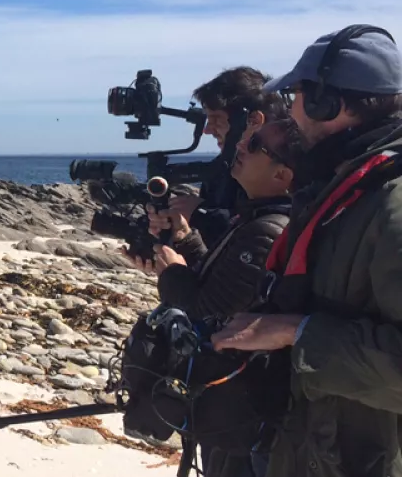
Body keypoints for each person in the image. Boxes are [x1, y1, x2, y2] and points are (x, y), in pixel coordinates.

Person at [212, 25, 402, 477]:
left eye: (296, 96)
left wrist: (295, 332)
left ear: (327, 104)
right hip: (313, 450)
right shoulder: (345, 183)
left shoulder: (390, 201)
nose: (291, 111)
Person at [130, 119, 304, 477]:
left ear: (282, 175)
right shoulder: (258, 215)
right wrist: (185, 240)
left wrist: (172, 273)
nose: (239, 146)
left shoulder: (269, 227)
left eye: (254, 145)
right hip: (233, 403)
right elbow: (224, 283)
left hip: (241, 406)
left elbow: (211, 310)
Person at [151, 66, 287, 248]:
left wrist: (200, 214)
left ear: (253, 120)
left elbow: (266, 229)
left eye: (216, 119)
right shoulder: (221, 169)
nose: (207, 130)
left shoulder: (291, 165)